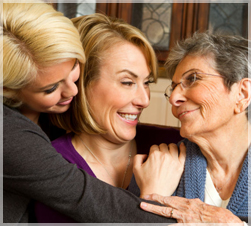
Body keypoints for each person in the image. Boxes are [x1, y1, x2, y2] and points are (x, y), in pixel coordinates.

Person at [2, 2, 181, 223]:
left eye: (73, 72)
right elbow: (87, 198)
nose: (73, 91)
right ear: (8, 91)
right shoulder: (12, 137)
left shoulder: (174, 144)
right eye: (126, 82)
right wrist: (155, 198)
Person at [133, 31, 250, 223]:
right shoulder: (158, 169)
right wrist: (152, 196)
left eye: (193, 79)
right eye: (173, 87)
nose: (173, 98)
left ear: (242, 94)